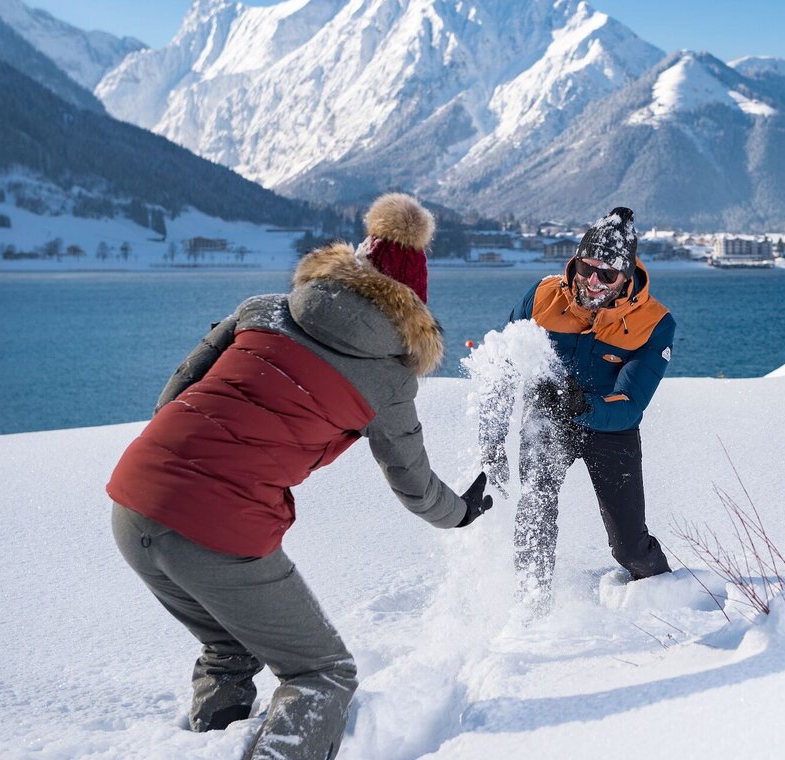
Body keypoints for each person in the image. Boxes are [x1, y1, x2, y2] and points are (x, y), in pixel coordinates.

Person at [107, 193, 492, 760]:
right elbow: (414, 487)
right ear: (411, 307)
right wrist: (459, 512)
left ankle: (208, 744)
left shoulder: (262, 309)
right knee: (322, 672)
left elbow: (175, 395)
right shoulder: (388, 380)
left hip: (133, 497)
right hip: (220, 527)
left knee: (230, 648)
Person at [479, 206, 673, 614]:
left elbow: (630, 405)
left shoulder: (654, 323)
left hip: (611, 429)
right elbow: (502, 365)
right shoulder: (542, 296)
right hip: (547, 420)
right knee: (535, 508)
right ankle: (531, 605)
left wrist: (582, 406)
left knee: (629, 546)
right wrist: (492, 438)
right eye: (587, 267)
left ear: (626, 275)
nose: (593, 281)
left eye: (607, 274)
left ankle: (664, 596)